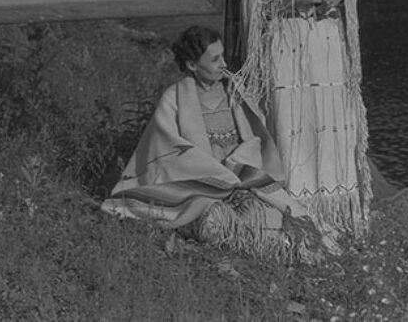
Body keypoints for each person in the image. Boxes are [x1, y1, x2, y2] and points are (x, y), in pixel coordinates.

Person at [102, 25, 324, 263]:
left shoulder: (236, 93)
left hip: (241, 180)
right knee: (214, 222)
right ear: (192, 65)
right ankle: (244, 243)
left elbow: (255, 140)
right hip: (199, 186)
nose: (224, 65)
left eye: (223, 56)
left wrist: (237, 165)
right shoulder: (174, 98)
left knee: (268, 217)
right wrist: (213, 173)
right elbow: (166, 149)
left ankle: (264, 245)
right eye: (215, 59)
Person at [237, 0, 372, 238]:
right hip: (286, 56)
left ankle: (340, 218)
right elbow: (252, 13)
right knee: (292, 130)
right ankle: (294, 216)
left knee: (332, 133)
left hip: (329, 53)